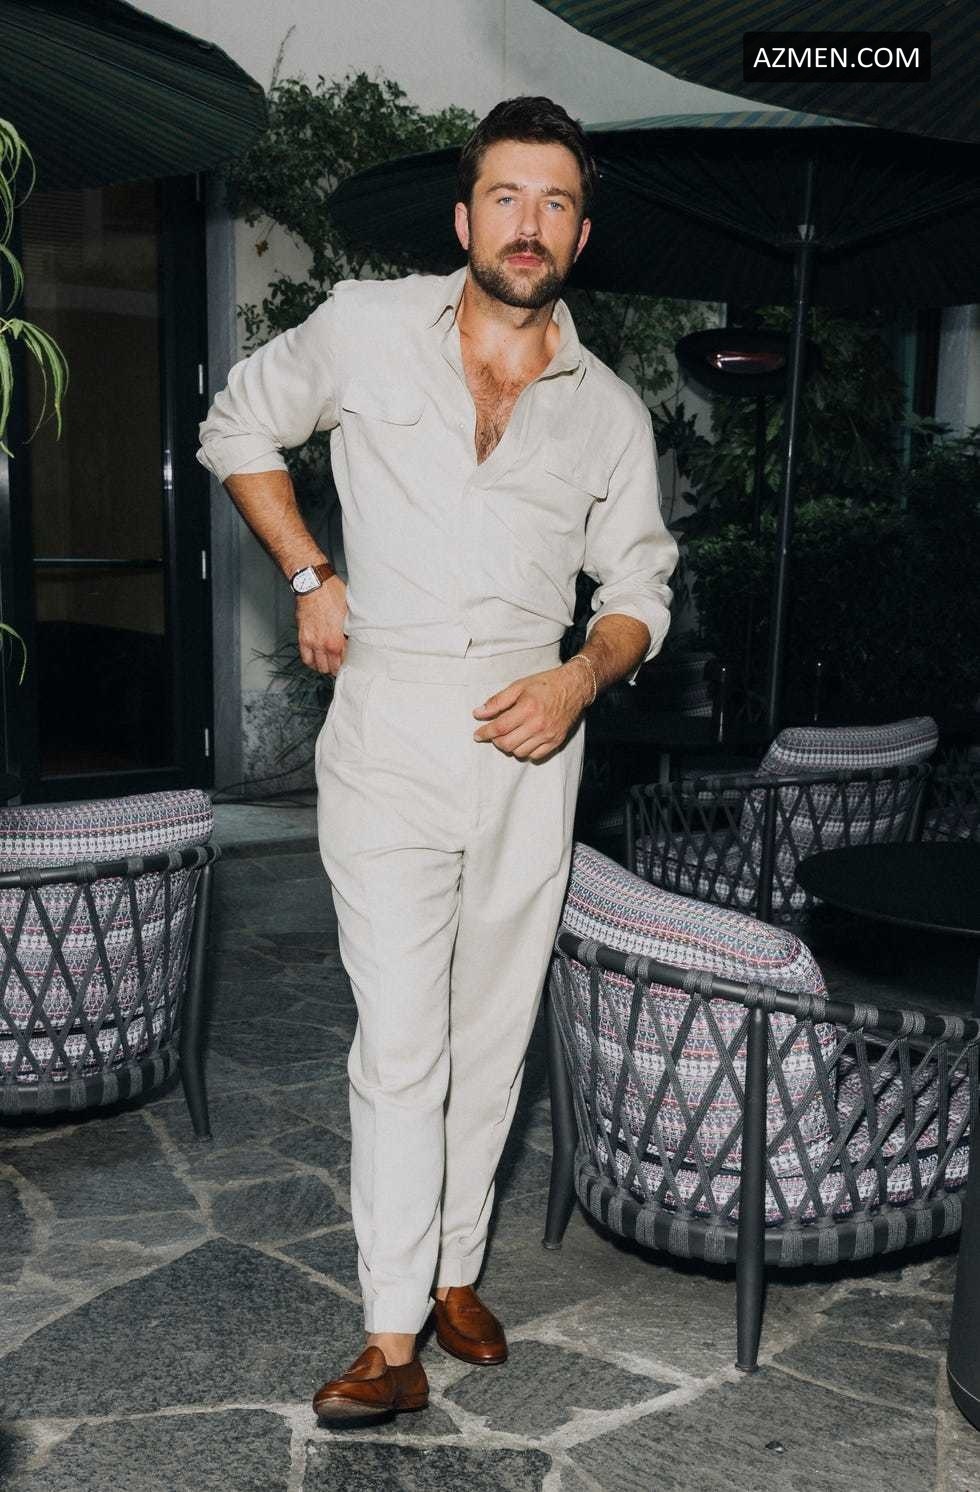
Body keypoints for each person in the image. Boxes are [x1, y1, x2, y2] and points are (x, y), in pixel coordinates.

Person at [197, 95, 678, 1421]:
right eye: (507, 197)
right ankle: (392, 1331)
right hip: (391, 721)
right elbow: (236, 425)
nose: (530, 224)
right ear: (466, 219)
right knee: (402, 1037)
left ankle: (459, 1267)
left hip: (534, 735)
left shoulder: (610, 413)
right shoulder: (363, 327)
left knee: (493, 1024)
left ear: (581, 237)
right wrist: (310, 572)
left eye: (556, 203)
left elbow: (642, 586)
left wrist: (579, 677)